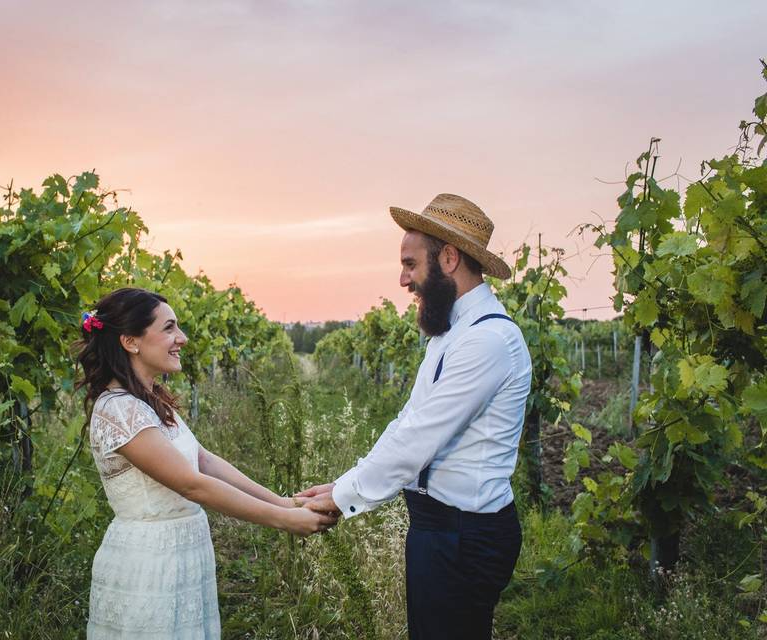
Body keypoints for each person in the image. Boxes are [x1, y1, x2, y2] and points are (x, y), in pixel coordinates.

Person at [300, 193, 532, 640]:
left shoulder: (488, 341)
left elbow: (419, 439)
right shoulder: (452, 335)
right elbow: (407, 422)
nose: (403, 279)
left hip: (464, 536)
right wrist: (347, 480)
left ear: (448, 258)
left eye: (410, 263)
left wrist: (344, 497)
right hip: (439, 528)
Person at [74, 287, 336, 640]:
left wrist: (283, 501)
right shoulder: (119, 409)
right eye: (169, 328)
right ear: (131, 342)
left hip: (183, 551)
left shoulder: (148, 401)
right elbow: (191, 483)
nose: (181, 338)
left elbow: (204, 461)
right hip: (150, 563)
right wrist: (285, 520)